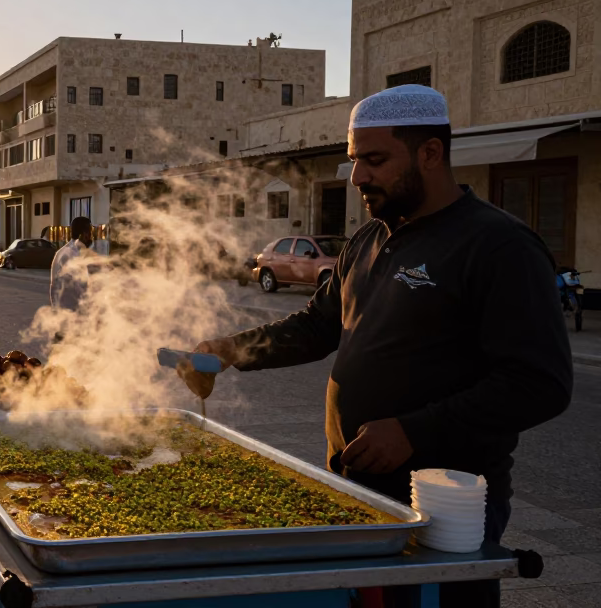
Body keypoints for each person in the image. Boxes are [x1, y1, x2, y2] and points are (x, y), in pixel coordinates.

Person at [177, 85, 572, 608]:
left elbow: (540, 382)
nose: (357, 176)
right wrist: (229, 349)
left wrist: (414, 430)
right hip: (356, 489)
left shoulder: (498, 245)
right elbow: (317, 326)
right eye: (353, 160)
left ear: (430, 153)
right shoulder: (367, 239)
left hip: (441, 505)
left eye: (374, 160)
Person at [49, 216, 93, 311]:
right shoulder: (74, 254)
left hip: (61, 311)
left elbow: (53, 287)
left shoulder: (61, 252)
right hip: (72, 312)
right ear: (84, 234)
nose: (91, 237)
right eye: (90, 233)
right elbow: (81, 289)